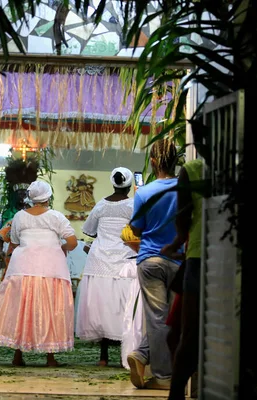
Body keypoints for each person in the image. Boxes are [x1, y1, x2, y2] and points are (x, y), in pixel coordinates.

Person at [0, 181, 78, 367]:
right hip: (51, 268)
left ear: (31, 198)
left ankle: (18, 355)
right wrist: (61, 247)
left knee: (21, 309)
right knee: (50, 309)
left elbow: (14, 242)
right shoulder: (56, 217)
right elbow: (72, 242)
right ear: (48, 197)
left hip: (22, 267)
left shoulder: (19, 217)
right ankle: (50, 358)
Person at [127, 139, 182, 390]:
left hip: (149, 259)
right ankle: (154, 364)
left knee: (158, 319)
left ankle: (160, 374)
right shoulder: (186, 189)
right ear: (176, 161)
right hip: (179, 260)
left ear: (152, 162)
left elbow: (136, 228)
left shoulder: (145, 192)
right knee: (174, 319)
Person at [75, 167, 137, 366]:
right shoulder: (133, 205)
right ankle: (123, 353)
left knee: (101, 306)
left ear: (113, 183)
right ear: (129, 186)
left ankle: (103, 357)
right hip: (124, 258)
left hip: (100, 260)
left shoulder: (101, 205)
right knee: (122, 306)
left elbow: (89, 231)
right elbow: (138, 229)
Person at [161, 158, 204, 400]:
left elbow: (183, 214)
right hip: (196, 256)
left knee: (184, 333)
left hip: (196, 255)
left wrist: (177, 242)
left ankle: (176, 393)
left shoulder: (193, 169)